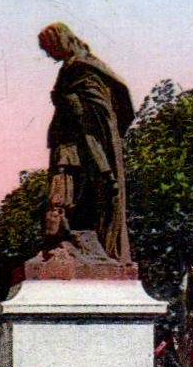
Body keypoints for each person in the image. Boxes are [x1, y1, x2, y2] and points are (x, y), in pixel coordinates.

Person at [38, 21, 136, 262]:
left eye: (48, 48)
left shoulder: (83, 68)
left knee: (63, 193)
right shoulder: (70, 68)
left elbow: (98, 111)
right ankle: (62, 242)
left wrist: (67, 101)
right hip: (69, 140)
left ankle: (64, 243)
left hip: (82, 146)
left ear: (59, 41)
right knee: (67, 193)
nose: (48, 55)